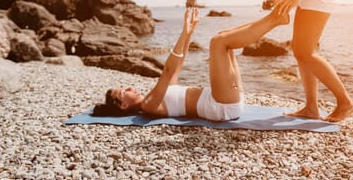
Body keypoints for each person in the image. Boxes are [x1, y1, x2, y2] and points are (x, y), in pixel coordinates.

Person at [93, 7, 289, 121]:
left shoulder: (155, 97)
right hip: (222, 106)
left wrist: (188, 33)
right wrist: (185, 33)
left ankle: (275, 19)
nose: (129, 87)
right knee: (218, 43)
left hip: (231, 95)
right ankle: (274, 19)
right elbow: (168, 70)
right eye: (123, 92)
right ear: (124, 105)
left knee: (223, 39)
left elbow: (177, 65)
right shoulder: (149, 105)